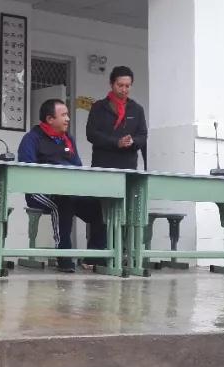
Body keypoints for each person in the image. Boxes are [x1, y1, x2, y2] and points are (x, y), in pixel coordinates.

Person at [17, 98, 105, 272]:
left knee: (97, 206)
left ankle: (94, 259)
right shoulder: (31, 139)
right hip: (38, 193)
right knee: (62, 203)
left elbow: (77, 167)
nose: (68, 119)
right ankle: (63, 257)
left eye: (67, 115)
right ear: (50, 119)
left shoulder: (68, 139)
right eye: (63, 115)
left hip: (69, 191)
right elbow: (27, 171)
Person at [86, 66, 147, 170]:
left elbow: (143, 136)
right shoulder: (98, 107)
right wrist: (116, 142)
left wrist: (132, 141)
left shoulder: (137, 109)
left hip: (128, 167)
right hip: (102, 166)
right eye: (120, 85)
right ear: (111, 84)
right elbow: (91, 134)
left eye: (127, 86)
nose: (124, 90)